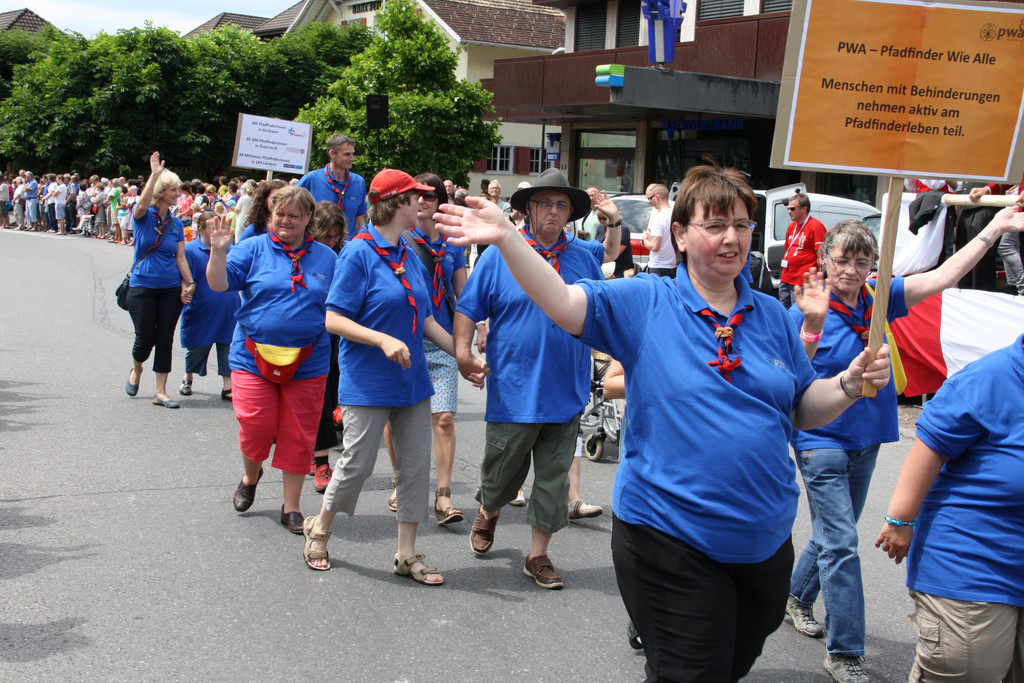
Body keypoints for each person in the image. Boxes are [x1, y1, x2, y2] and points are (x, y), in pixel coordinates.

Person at [434, 160, 892, 679]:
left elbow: (801, 407)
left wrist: (848, 384)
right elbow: (561, 300)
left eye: (741, 224)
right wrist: (507, 238)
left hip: (763, 543)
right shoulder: (646, 301)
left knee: (732, 662)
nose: (731, 237)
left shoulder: (772, 316)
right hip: (669, 536)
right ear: (679, 234)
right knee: (691, 670)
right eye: (714, 224)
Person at [785, 210, 1024, 683]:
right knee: (843, 544)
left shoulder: (880, 297)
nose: (851, 270)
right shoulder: (807, 309)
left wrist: (993, 229)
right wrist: (812, 330)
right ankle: (846, 652)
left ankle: (796, 596)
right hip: (821, 442)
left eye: (862, 261)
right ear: (824, 260)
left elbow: (944, 276)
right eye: (842, 260)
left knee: (834, 535)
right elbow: (790, 378)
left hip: (867, 440)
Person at [301, 169, 486, 582]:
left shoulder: (407, 253)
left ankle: (406, 553)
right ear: (397, 203)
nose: (423, 201)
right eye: (415, 196)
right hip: (368, 381)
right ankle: (321, 526)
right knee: (357, 464)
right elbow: (333, 319)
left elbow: (427, 320)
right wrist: (382, 339)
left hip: (412, 381)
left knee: (415, 467)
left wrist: (462, 357)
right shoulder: (358, 253)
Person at [452, 168, 605, 591]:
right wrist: (463, 354)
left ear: (570, 213)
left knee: (553, 480)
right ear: (528, 209)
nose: (554, 211)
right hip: (515, 389)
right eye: (545, 203)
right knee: (501, 473)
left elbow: (603, 310)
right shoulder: (500, 254)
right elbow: (468, 308)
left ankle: (537, 555)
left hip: (567, 388)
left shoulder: (584, 258)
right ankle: (489, 511)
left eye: (562, 205)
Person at [876, 335, 1024, 683]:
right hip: (975, 562)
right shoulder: (991, 377)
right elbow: (930, 447)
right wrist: (900, 520)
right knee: (970, 669)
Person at [206, 185, 336, 534]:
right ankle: (251, 476)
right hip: (252, 357)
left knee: (299, 433)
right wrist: (218, 253)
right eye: (280, 214)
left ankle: (291, 506)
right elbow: (219, 284)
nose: (285, 220)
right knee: (255, 424)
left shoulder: (328, 258)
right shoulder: (251, 248)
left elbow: (343, 303)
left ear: (309, 218)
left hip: (309, 361)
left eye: (294, 215)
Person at [125, 152, 196, 409]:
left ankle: (161, 391)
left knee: (165, 339)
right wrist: (154, 175)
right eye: (174, 189)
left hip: (169, 288)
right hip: (142, 286)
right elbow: (142, 203)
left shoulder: (176, 224)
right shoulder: (143, 216)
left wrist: (190, 282)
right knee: (144, 339)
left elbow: (180, 258)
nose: (178, 193)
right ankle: (137, 368)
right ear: (161, 191)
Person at [305, 201, 347, 494]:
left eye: (335, 236)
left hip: (336, 338)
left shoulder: (344, 254)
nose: (331, 241)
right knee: (317, 401)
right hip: (307, 336)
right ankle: (318, 461)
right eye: (326, 236)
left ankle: (319, 459)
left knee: (328, 399)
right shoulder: (303, 254)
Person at [178, 211, 240, 401]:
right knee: (197, 345)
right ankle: (188, 377)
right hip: (201, 307)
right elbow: (183, 275)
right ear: (201, 229)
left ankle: (228, 385)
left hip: (227, 307)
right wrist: (184, 289)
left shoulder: (229, 249)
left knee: (227, 346)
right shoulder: (190, 250)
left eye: (218, 226)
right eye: (212, 226)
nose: (216, 230)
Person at [296, 133, 368, 241]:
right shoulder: (311, 179)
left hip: (346, 246)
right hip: (317, 244)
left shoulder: (358, 182)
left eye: (352, 154)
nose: (352, 158)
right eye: (347, 154)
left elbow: (359, 219)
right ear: (332, 154)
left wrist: (361, 243)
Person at [779, 193, 827, 308]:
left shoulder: (815, 225)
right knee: (783, 311)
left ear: (804, 209)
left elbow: (821, 255)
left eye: (792, 209)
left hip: (802, 281)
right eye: (788, 209)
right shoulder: (792, 226)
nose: (789, 211)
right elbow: (788, 249)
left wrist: (818, 278)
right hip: (786, 278)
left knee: (797, 313)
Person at [643, 183, 676, 277]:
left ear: (656, 197)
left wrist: (644, 240)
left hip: (658, 266)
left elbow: (655, 247)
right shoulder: (675, 215)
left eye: (650, 198)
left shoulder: (659, 217)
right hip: (674, 266)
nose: (650, 202)